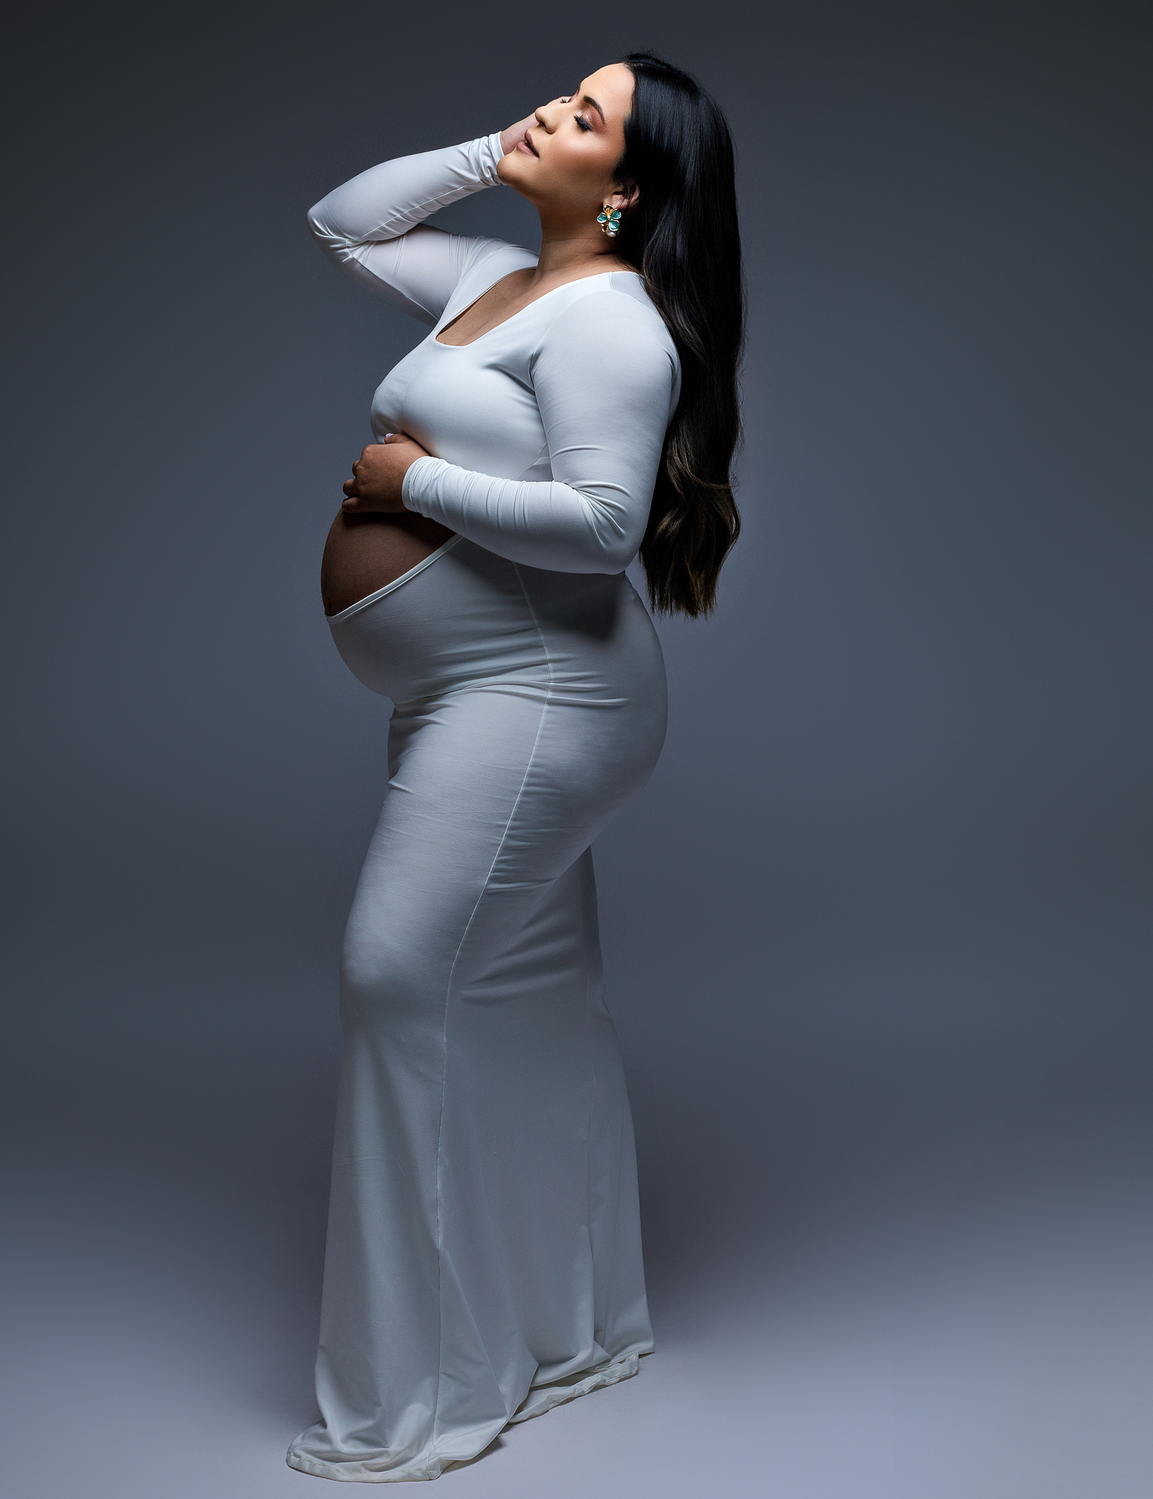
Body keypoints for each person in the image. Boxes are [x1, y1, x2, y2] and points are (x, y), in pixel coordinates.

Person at [287, 53, 743, 1483]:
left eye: (585, 117)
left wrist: (408, 482)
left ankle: (420, 1394)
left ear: (628, 192)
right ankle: (569, 1330)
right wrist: (495, 148)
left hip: (543, 695)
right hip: (472, 691)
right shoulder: (494, 277)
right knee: (527, 1004)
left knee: (395, 978)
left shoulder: (615, 326)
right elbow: (342, 223)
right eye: (563, 92)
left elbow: (604, 531)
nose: (553, 110)